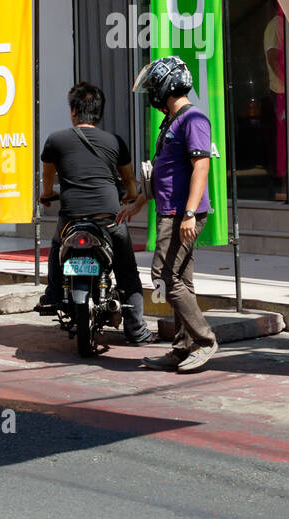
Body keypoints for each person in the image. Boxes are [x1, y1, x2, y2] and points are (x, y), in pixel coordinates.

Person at [119, 56, 218, 374]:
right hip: (170, 211)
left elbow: (200, 167)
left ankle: (204, 341)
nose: (152, 96)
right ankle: (182, 347)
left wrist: (189, 213)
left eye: (154, 88)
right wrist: (139, 203)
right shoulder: (171, 122)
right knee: (181, 281)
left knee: (165, 276)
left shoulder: (194, 119)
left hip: (181, 215)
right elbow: (164, 171)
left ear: (168, 86)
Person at [38, 81, 155, 347]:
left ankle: (54, 293)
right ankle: (137, 331)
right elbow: (130, 182)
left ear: (73, 111)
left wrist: (46, 195)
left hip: (72, 216)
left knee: (57, 246)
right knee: (126, 271)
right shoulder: (114, 141)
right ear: (99, 113)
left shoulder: (55, 140)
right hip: (108, 217)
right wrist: (130, 196)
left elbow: (47, 175)